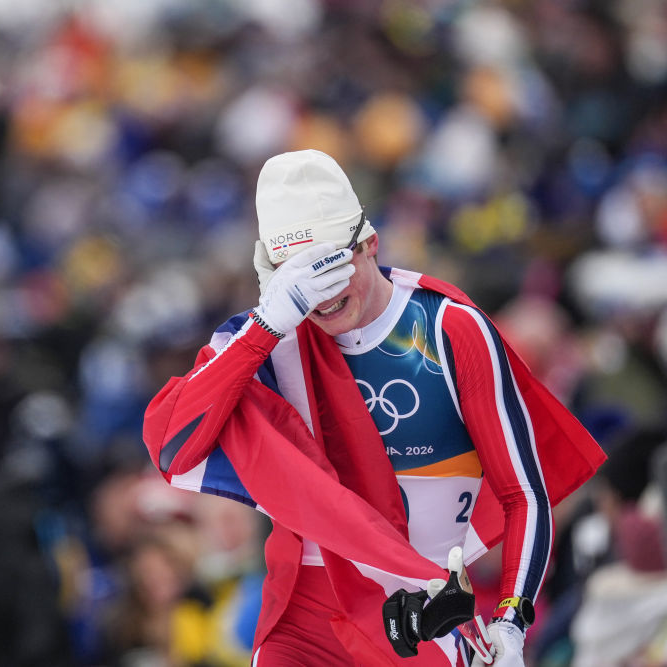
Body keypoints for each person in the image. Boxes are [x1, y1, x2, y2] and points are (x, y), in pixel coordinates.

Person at [143, 150, 606, 665]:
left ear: (368, 244)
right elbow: (171, 445)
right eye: (300, 283)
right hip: (304, 620)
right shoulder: (269, 341)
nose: (321, 299)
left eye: (331, 271)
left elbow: (523, 494)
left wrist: (512, 620)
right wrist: (266, 327)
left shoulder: (447, 329)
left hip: (418, 614)